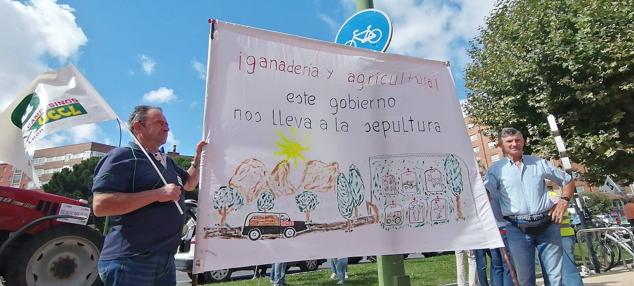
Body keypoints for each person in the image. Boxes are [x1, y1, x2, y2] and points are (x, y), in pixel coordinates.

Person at [92, 105, 206, 285]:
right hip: (131, 260)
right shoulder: (122, 156)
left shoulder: (167, 162)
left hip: (166, 259)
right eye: (159, 122)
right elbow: (101, 205)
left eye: (167, 124)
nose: (167, 127)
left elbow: (189, 183)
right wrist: (158, 194)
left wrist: (199, 159)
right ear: (138, 127)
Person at [484, 127, 575, 286]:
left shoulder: (539, 163)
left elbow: (567, 180)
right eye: (509, 141)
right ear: (501, 145)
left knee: (556, 278)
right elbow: (486, 192)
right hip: (517, 228)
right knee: (525, 280)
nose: (514, 144)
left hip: (547, 225)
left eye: (517, 140)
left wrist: (563, 201)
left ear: (523, 142)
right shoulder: (496, 170)